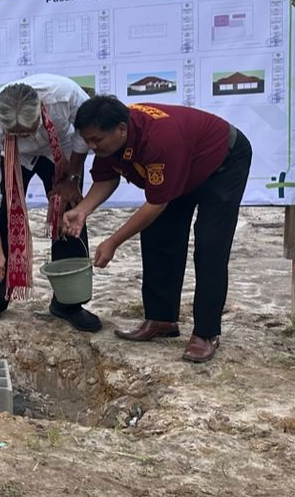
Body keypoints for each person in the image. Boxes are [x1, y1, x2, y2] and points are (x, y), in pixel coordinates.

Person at [62, 96, 252, 363]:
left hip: (222, 163)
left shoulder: (160, 141)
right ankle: (162, 319)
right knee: (158, 235)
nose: (91, 147)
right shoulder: (109, 143)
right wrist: (82, 210)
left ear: (121, 129)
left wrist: (113, 242)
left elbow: (156, 203)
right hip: (183, 167)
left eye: (96, 141)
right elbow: (107, 179)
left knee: (210, 246)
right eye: (87, 141)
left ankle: (206, 334)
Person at [0, 75, 100, 332]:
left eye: (28, 131)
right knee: (0, 215)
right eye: (16, 133)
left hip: (60, 149)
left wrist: (72, 178)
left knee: (70, 213)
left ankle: (68, 303)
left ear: (40, 110)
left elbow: (83, 133)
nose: (25, 136)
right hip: (13, 156)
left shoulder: (64, 94)